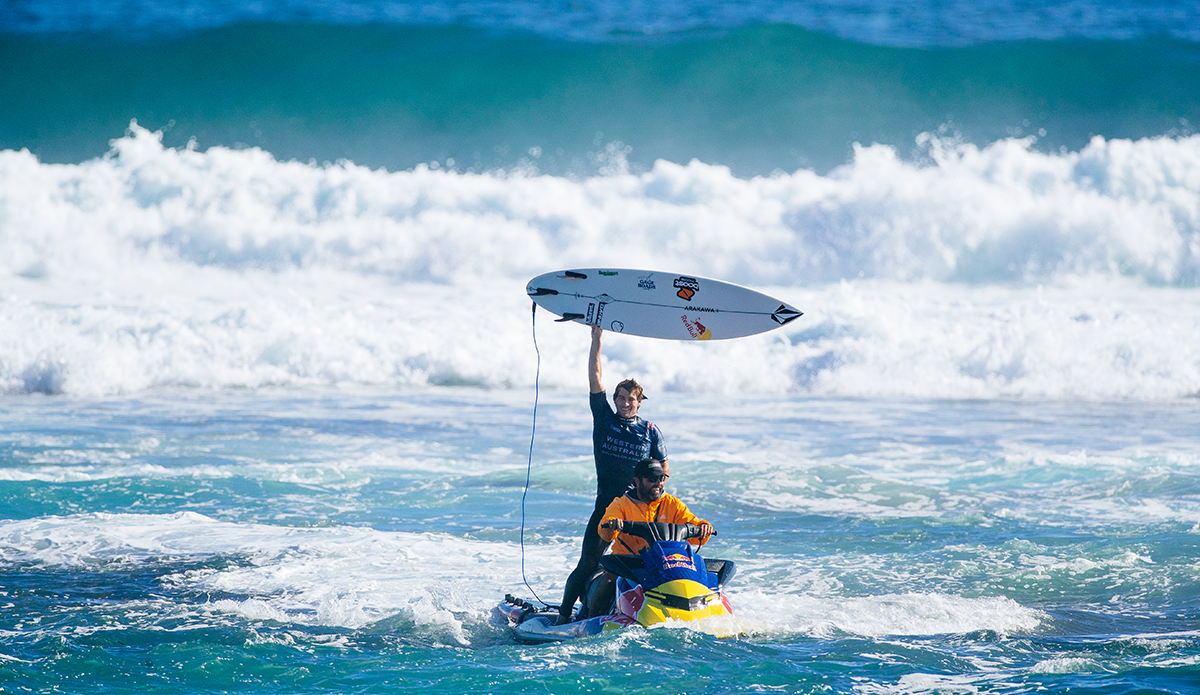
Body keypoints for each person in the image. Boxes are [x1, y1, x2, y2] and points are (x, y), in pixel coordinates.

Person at [557, 325, 668, 625]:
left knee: (649, 565)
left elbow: (663, 468)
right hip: (607, 506)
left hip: (640, 511)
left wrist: (658, 497)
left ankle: (645, 612)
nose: (625, 403)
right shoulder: (604, 419)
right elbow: (595, 379)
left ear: (639, 402)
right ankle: (564, 615)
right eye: (620, 397)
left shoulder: (649, 431)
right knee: (589, 562)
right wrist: (597, 339)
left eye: (631, 399)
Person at [585, 457, 713, 617]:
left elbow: (694, 532)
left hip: (665, 564)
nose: (658, 483)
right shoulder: (621, 504)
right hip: (629, 564)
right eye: (652, 479)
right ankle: (592, 620)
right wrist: (612, 524)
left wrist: (703, 527)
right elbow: (604, 531)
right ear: (637, 481)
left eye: (661, 478)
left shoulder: (673, 504)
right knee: (609, 579)